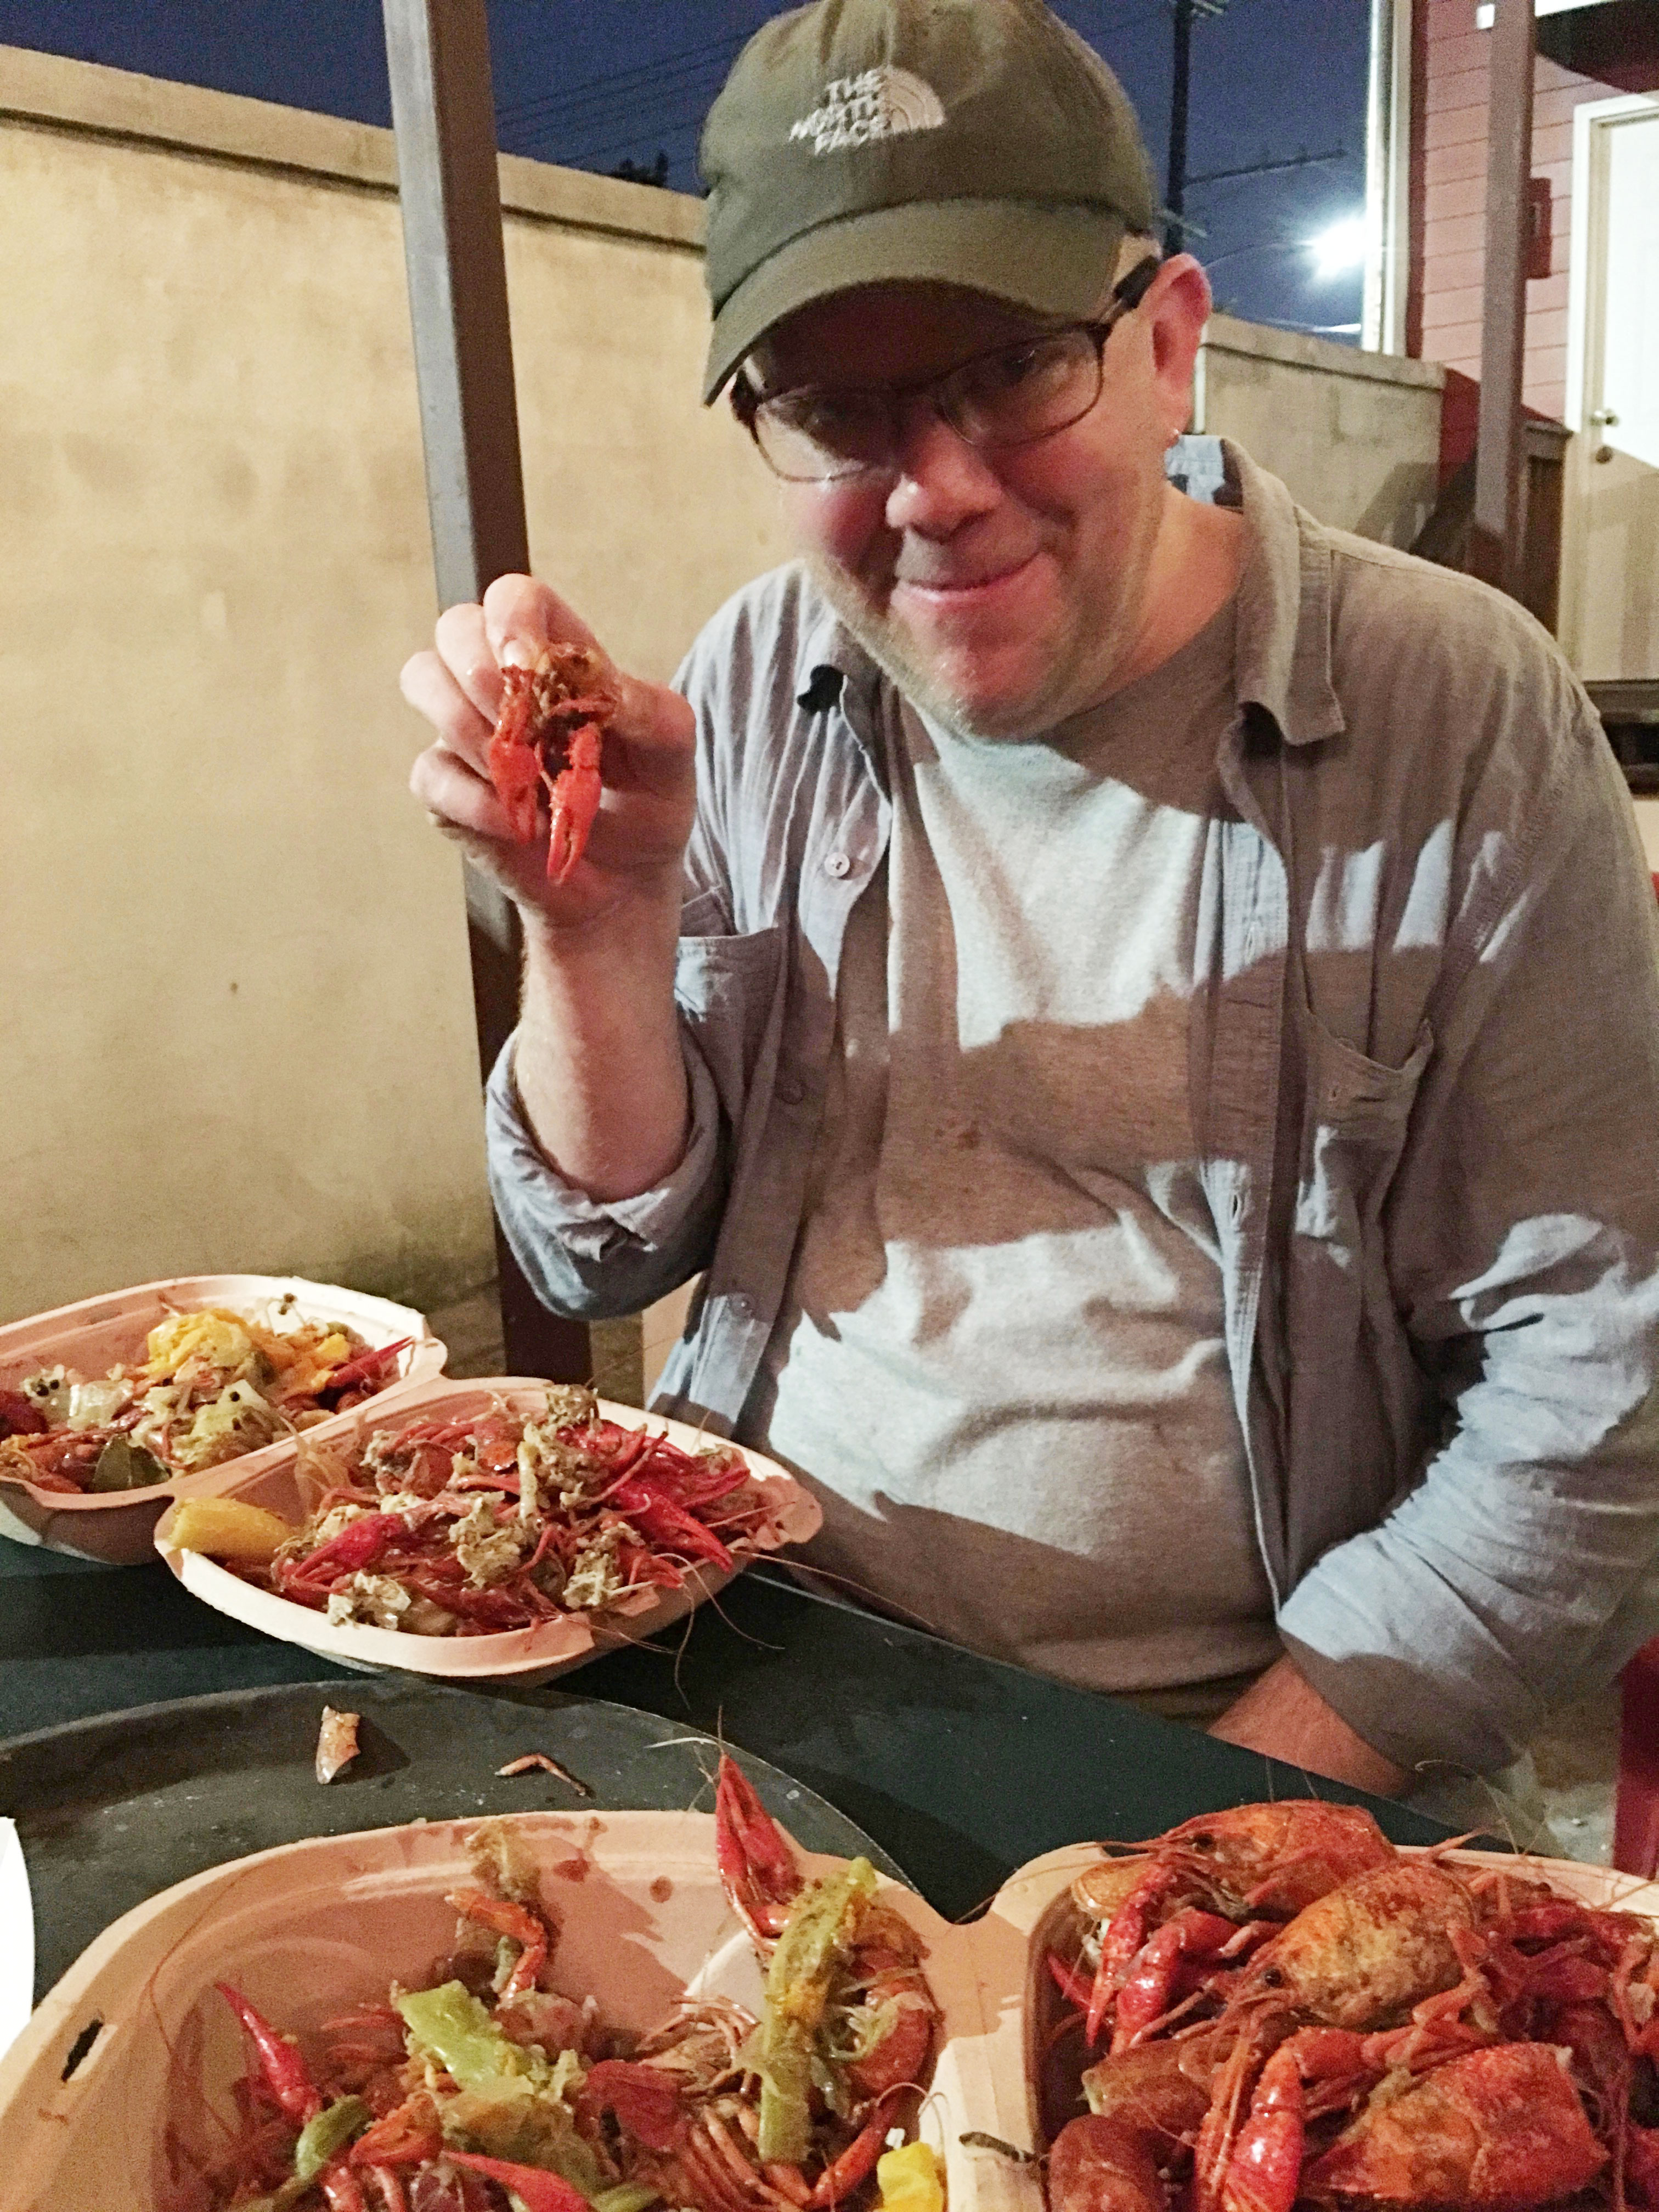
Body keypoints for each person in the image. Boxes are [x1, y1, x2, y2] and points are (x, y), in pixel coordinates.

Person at [402, 0, 1659, 1808]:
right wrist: (595, 930)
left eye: (1008, 370)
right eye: (840, 411)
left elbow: (1593, 1396)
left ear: (1169, 343)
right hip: (757, 1652)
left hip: (1234, 1735)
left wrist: (1194, 1829)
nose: (937, 491)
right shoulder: (762, 674)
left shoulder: (1454, 713)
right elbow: (600, 1253)